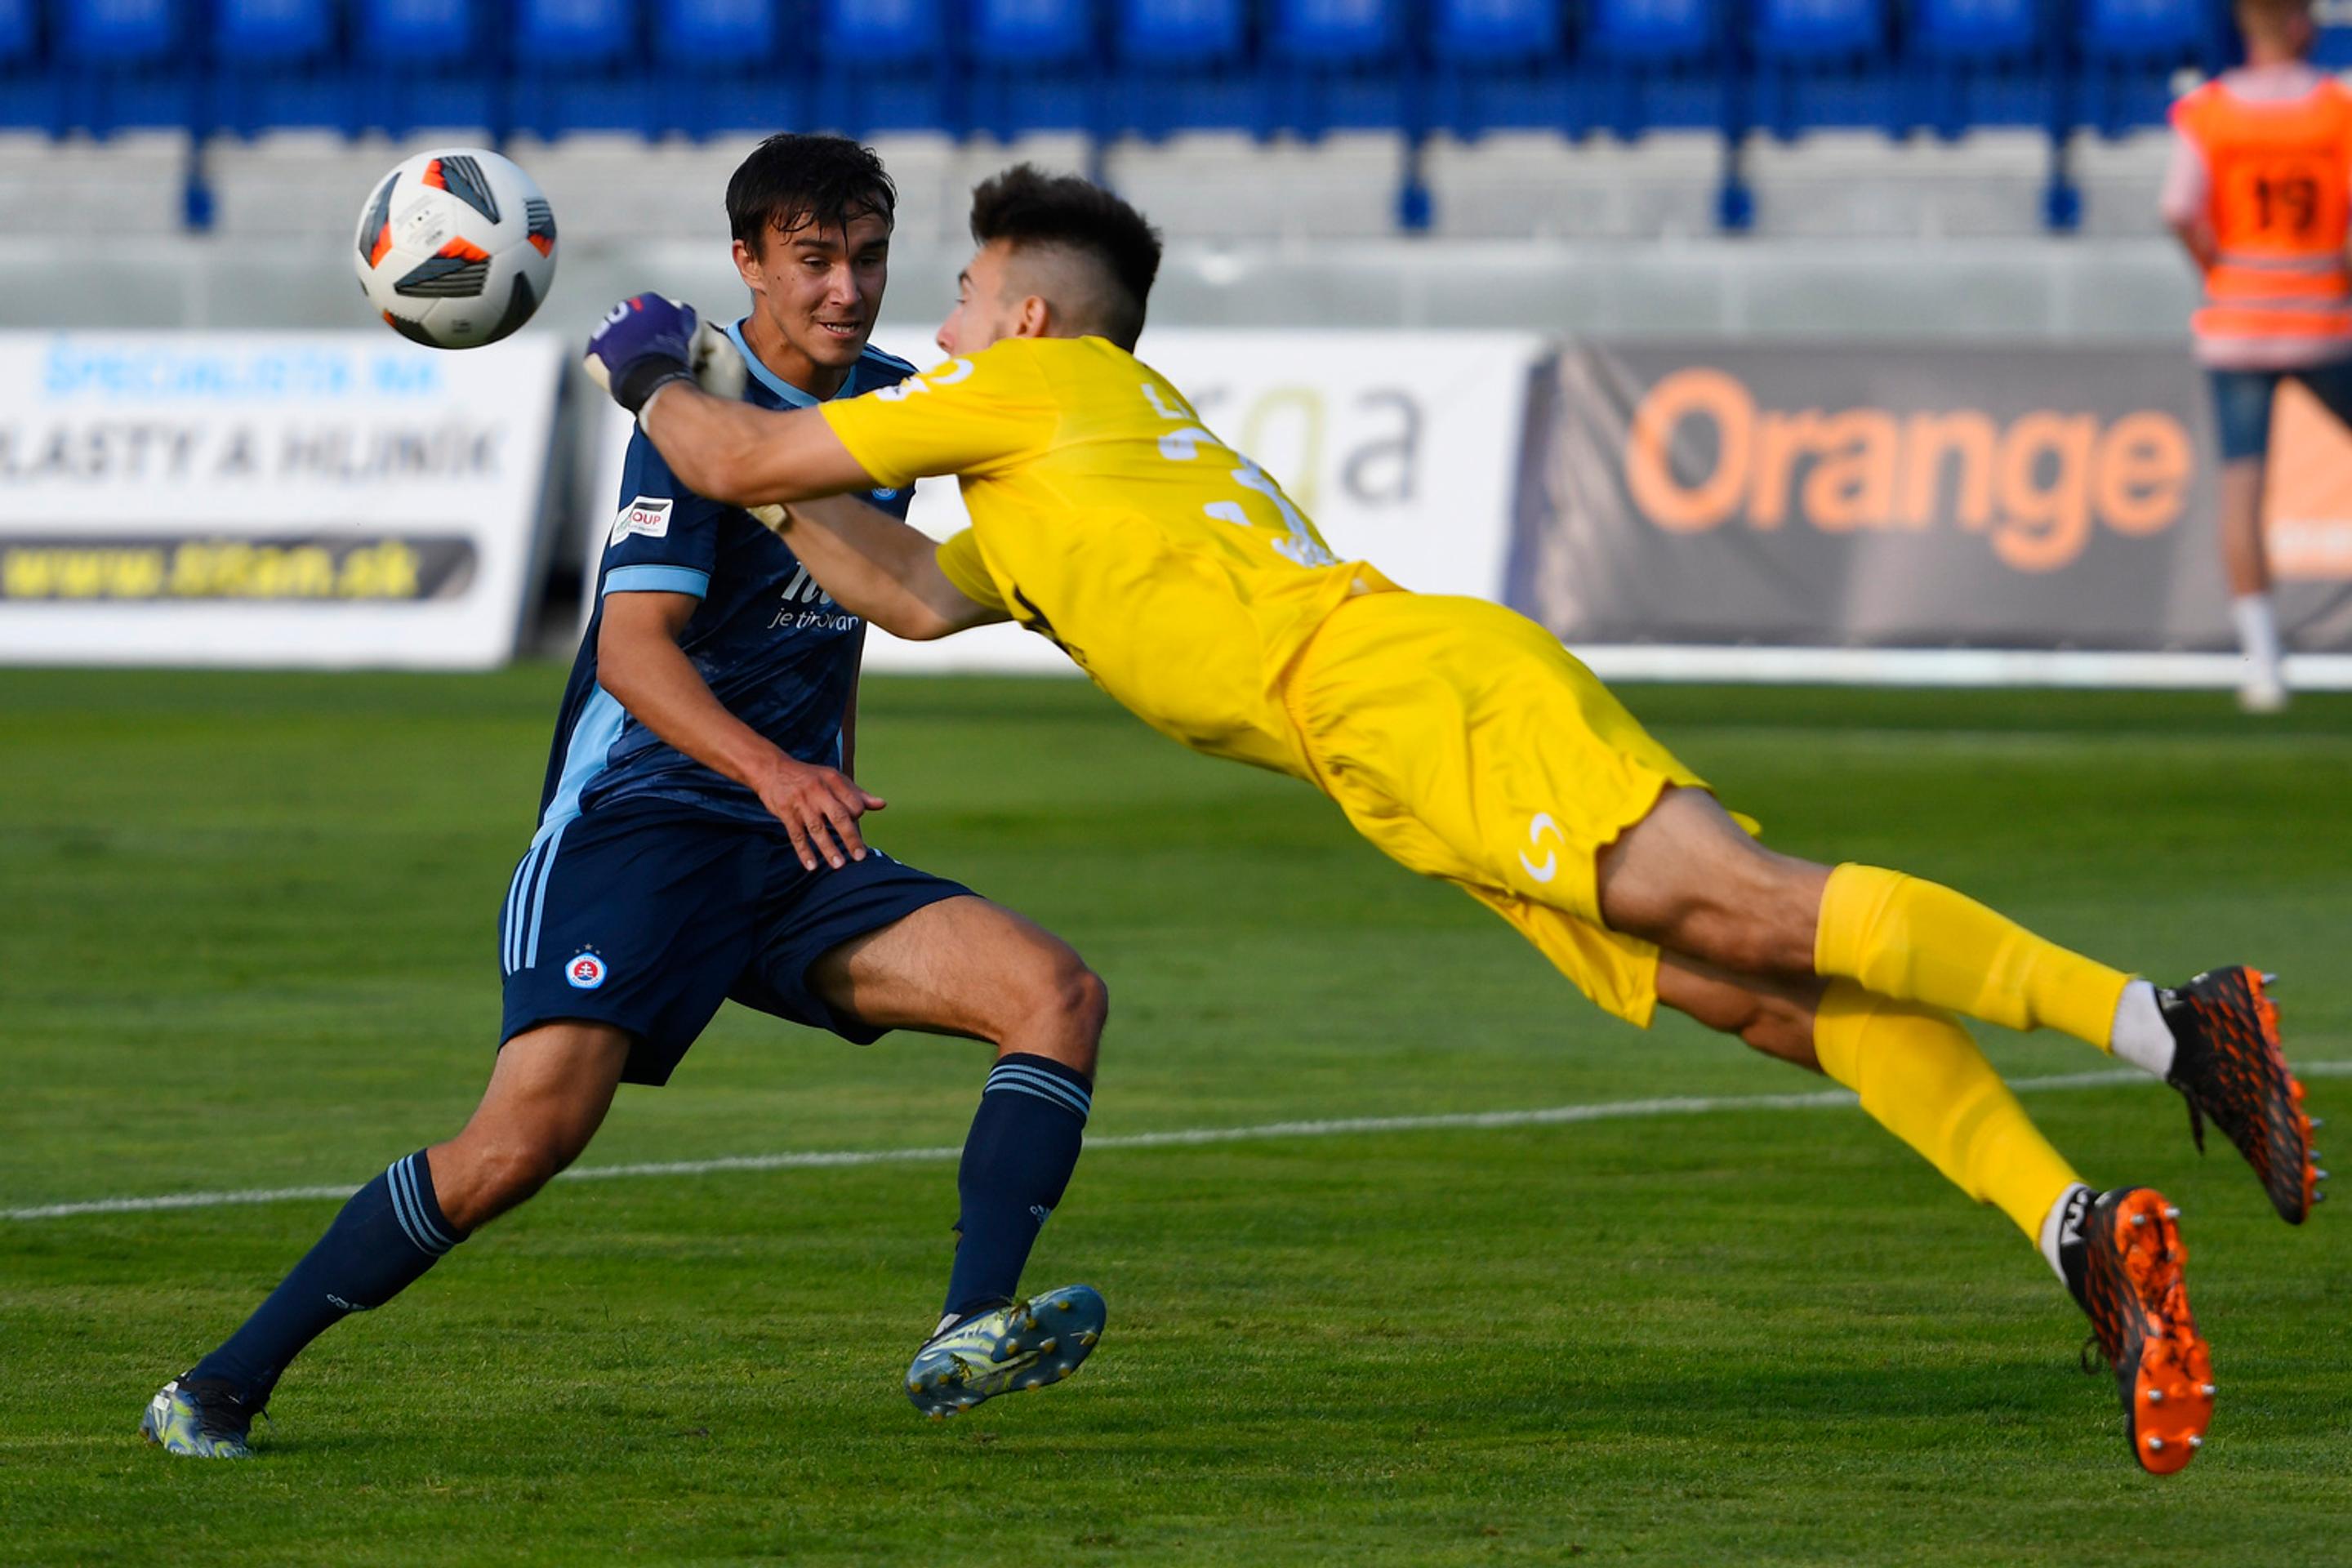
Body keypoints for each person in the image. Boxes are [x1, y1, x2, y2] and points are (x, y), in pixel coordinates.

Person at [581, 166, 2322, 1475]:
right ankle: (2077, 1230)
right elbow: (897, 587)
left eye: (955, 290)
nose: (935, 320)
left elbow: (739, 469)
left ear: (1027, 318)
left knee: (1748, 907)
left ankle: (2175, 1029)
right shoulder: (1046, 474)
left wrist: (659, 371)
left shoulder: (1027, 392)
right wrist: (733, 401)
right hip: (1394, 742)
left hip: (1409, 694)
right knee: (1756, 993)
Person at [142, 139, 1111, 1462]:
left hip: (791, 842)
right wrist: (773, 765)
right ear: (749, 263)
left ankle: (968, 1330)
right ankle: (216, 1386)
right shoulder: (700, 404)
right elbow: (630, 651)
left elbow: (868, 609)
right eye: (814, 261)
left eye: (870, 259)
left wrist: (813, 767)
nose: (847, 290)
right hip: (641, 829)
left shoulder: (889, 408)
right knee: (522, 1141)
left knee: (1052, 996)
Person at [2162, 0, 2352, 712]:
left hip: (2237, 316)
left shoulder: (2208, 112)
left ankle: (2263, 664)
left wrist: (2219, 269)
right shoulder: (2337, 110)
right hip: (2324, 316)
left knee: (2242, 488)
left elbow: (2178, 209)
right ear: (2301, 24)